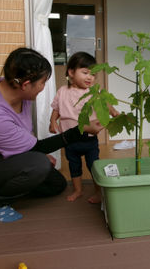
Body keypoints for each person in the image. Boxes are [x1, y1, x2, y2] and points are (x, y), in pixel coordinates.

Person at [0, 48, 103, 223]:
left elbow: (27, 138)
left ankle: (9, 182)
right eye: (42, 83)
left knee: (57, 185)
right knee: (38, 165)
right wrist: (81, 130)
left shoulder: (16, 91)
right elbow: (37, 148)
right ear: (26, 84)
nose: (43, 88)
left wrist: (30, 153)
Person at [49, 52, 118, 204]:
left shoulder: (94, 92)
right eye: (85, 73)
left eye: (93, 74)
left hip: (89, 139)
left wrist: (113, 112)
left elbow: (106, 103)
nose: (90, 77)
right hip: (69, 139)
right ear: (71, 72)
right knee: (74, 166)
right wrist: (52, 122)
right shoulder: (62, 92)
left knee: (94, 165)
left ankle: (98, 192)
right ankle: (78, 190)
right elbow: (56, 109)